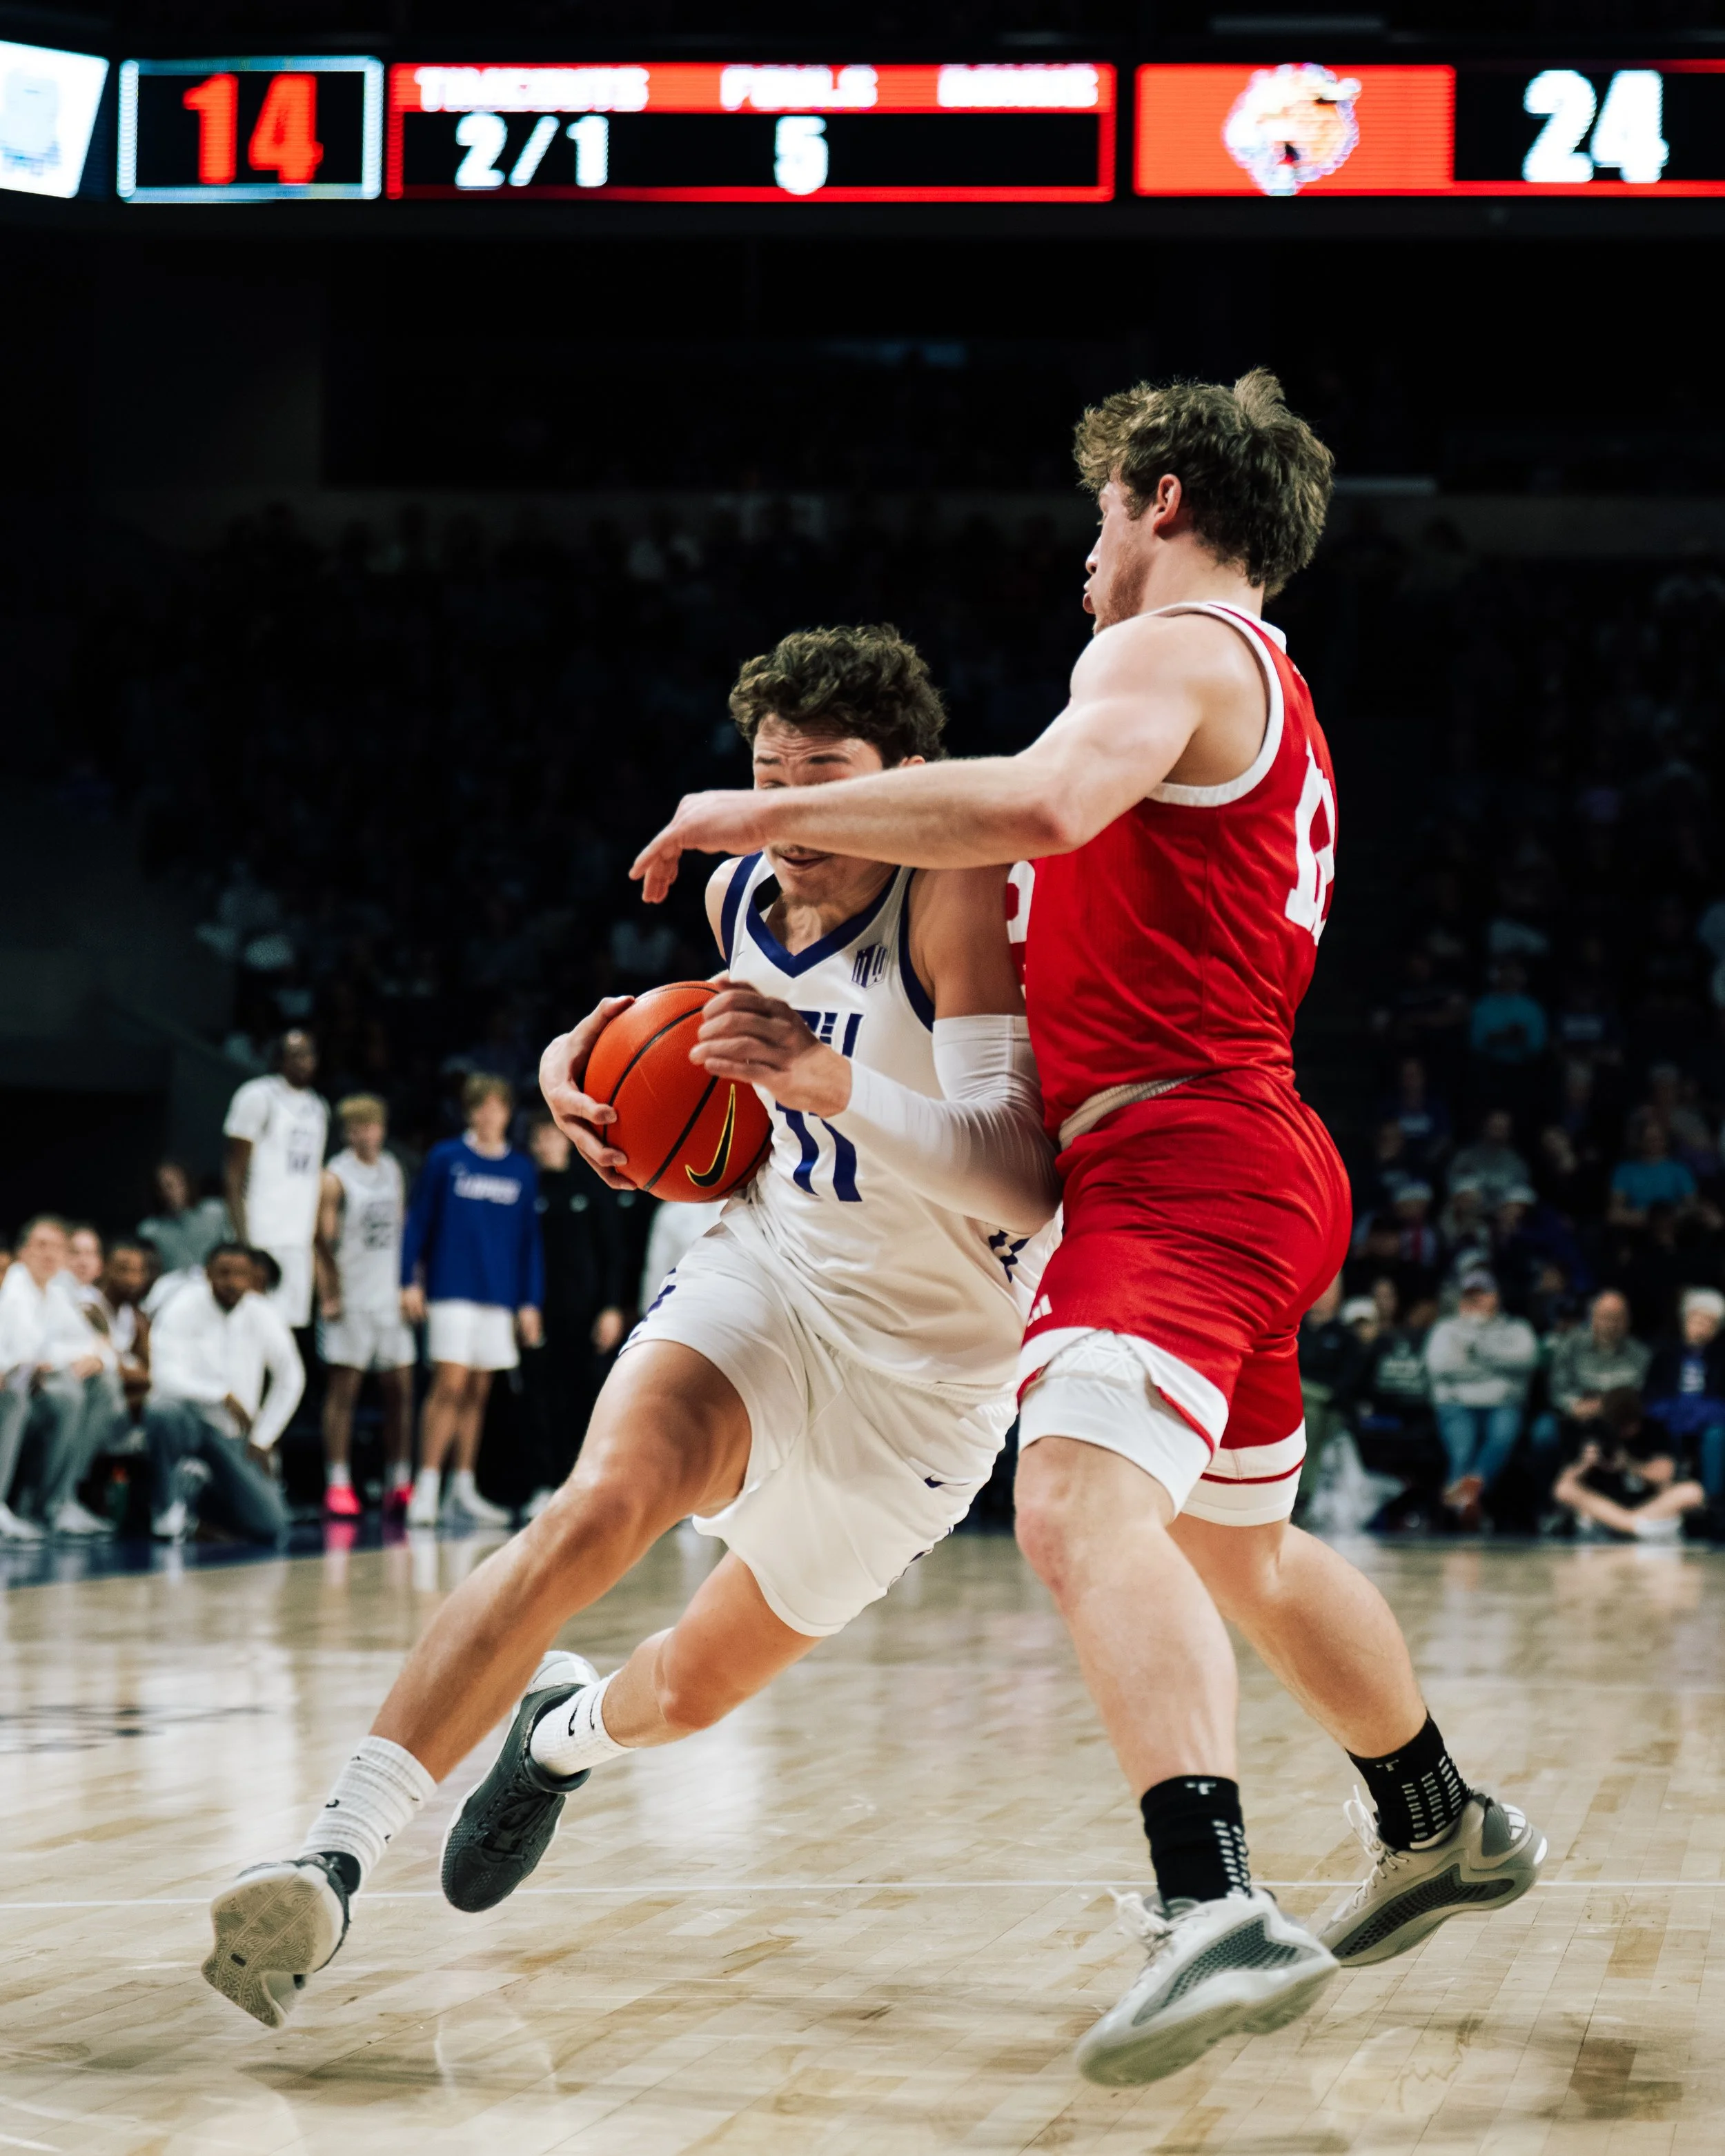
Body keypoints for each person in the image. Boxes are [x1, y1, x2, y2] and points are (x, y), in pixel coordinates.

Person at [629, 373, 1545, 2084]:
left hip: (1182, 1155)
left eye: (1099, 519)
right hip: (1243, 1150)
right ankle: (1438, 1817)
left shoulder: (1175, 650)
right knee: (1235, 1548)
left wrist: (764, 809)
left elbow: (1040, 807)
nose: (1085, 559)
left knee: (1071, 1497)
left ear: (1167, 498)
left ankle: (1210, 1904)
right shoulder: (1265, 694)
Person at [200, 623, 1061, 2037]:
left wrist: (820, 1075)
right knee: (593, 1510)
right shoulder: (739, 892)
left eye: (821, 780)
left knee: (692, 1692)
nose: (782, 816)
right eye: (763, 776)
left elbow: (1017, 1171)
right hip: (776, 1279)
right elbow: (653, 1049)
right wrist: (570, 1071)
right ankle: (331, 1855)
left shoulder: (949, 888)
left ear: (902, 777)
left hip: (934, 1383)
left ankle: (557, 1736)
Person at [400, 1074, 544, 1528]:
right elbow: (418, 1221)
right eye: (481, 1106)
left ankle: (462, 1488)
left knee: (480, 1392)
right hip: (450, 1290)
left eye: (498, 1106)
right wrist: (409, 1279)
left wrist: (530, 1301)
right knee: (450, 1385)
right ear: (469, 1111)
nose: (489, 1114)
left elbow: (529, 1240)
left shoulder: (522, 1169)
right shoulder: (446, 1158)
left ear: (507, 1113)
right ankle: (426, 1485)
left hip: (499, 1296)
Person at [144, 1243, 302, 1544]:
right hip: (190, 1423)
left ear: (253, 1277)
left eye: (240, 1274)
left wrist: (264, 1437)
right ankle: (166, 1511)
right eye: (224, 1273)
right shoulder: (182, 1307)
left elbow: (291, 1376)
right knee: (161, 1410)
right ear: (208, 1274)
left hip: (233, 1437)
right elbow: (163, 1377)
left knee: (271, 1524)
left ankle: (199, 1493)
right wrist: (220, 1395)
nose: (232, 1282)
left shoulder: (263, 1313)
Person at [521, 1114, 629, 1521]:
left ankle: (589, 1484)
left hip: (588, 1314)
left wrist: (611, 1307)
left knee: (590, 1396)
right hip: (542, 1313)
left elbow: (612, 1252)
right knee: (543, 1399)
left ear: (566, 1139)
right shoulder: (529, 1189)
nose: (546, 1143)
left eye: (552, 1134)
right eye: (539, 1136)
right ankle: (545, 1484)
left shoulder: (591, 1187)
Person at [315, 1095, 414, 1521]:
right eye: (358, 1127)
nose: (367, 1133)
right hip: (352, 1296)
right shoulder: (334, 1177)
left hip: (389, 1296)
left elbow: (405, 1228)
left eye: (373, 1125)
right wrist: (329, 1292)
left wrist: (413, 1283)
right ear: (347, 1132)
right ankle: (338, 1482)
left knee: (402, 1392)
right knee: (345, 1393)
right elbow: (319, 1241)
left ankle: (400, 1479)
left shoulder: (392, 1168)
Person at [0, 1216, 116, 1540]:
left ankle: (62, 1498)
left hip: (30, 1390)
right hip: (16, 1388)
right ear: (22, 1252)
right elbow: (26, 1353)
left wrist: (93, 1357)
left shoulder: (54, 1294)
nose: (50, 1255)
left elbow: (98, 1345)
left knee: (104, 1386)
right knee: (66, 1393)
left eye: (57, 1249)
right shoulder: (14, 1288)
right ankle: (39, 1503)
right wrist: (65, 1358)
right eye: (41, 1246)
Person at [223, 1031, 330, 1331]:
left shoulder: (319, 1107)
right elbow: (234, 1172)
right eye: (296, 1054)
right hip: (262, 1234)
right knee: (252, 1324)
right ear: (280, 1059)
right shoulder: (257, 1096)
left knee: (288, 1329)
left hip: (298, 1237)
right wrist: (244, 1241)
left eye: (310, 1054)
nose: (305, 1062)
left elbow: (313, 1179)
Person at [1422, 1269, 1539, 1527]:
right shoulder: (1446, 1329)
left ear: (1496, 1297)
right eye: (1470, 1295)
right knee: (1462, 1447)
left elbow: (1527, 1360)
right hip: (1456, 1404)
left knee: (1501, 1438)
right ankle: (1468, 1505)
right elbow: (1439, 1367)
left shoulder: (1517, 1329)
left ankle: (1458, 1507)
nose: (1477, 1301)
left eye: (1483, 1294)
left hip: (1502, 1404)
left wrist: (1477, 1351)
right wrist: (1496, 1366)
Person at [1551, 1387, 1706, 1541]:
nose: (1625, 1431)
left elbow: (1666, 1474)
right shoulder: (1596, 1432)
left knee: (1693, 1492)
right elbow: (1563, 1486)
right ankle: (1632, 1526)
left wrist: (1630, 1464)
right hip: (1607, 1510)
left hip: (1648, 1509)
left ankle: (1629, 1524)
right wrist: (1584, 1464)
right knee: (1564, 1488)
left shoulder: (1653, 1430)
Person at [1642, 1287, 1725, 1501]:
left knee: (1716, 1436)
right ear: (1685, 1320)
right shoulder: (1665, 1352)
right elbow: (1651, 1391)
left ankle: (1711, 1501)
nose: (1702, 1327)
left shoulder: (1720, 1357)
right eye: (1698, 1319)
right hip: (1669, 1413)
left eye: (1710, 1322)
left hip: (1708, 1417)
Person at [137, 1161, 230, 1276]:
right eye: (162, 1187)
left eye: (173, 1185)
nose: (169, 1192)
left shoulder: (215, 1213)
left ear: (187, 1182)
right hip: (175, 1286)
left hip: (215, 1283)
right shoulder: (150, 1230)